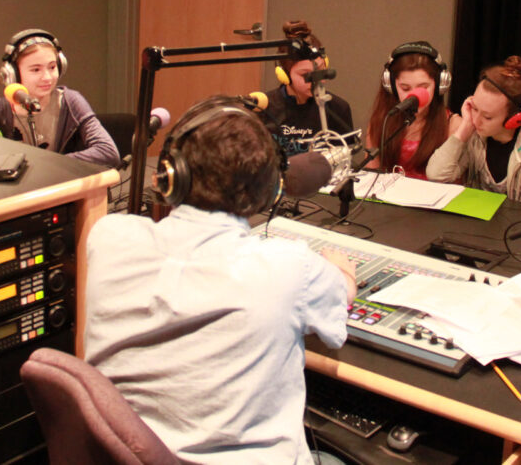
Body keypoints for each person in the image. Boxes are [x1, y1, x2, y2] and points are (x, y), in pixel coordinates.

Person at [84, 97, 354, 462]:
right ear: (270, 190)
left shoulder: (108, 237)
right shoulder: (290, 268)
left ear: (170, 175)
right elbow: (340, 302)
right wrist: (340, 267)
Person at [426, 56, 521, 206]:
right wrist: (463, 129)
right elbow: (436, 175)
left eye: (487, 117)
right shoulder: (475, 136)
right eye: (474, 108)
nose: (476, 120)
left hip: (514, 221)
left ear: (514, 119)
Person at [0, 28, 118, 167]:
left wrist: (48, 164)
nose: (47, 77)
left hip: (60, 180)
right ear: (13, 73)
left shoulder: (70, 102)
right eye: (36, 70)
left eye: (52, 67)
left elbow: (108, 152)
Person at [364, 41, 462, 179]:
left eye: (423, 87)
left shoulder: (453, 125)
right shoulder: (382, 121)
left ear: (439, 85)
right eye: (405, 88)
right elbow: (371, 176)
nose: (414, 96)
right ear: (391, 86)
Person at [261, 20, 353, 156]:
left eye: (320, 70)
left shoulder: (338, 109)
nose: (316, 81)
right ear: (284, 75)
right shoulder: (263, 109)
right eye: (305, 75)